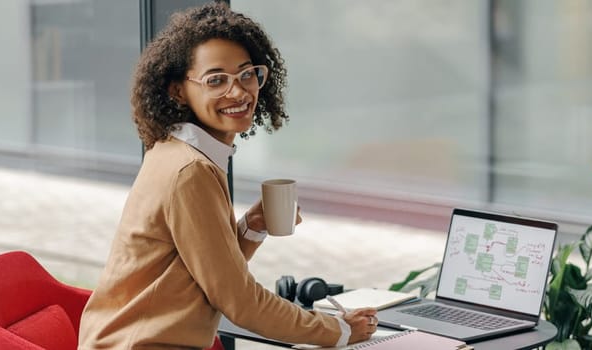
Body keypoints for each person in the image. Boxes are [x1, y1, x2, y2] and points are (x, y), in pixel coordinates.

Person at [77, 3, 378, 349]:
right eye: (216, 80)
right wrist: (339, 331)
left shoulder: (178, 151)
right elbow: (239, 301)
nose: (238, 92)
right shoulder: (190, 171)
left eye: (246, 74)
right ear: (178, 90)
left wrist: (251, 227)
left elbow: (200, 272)